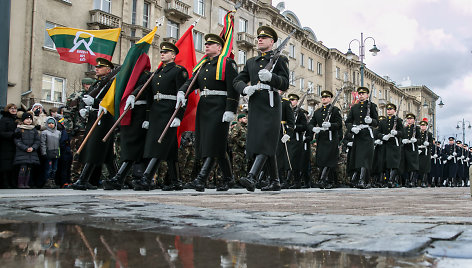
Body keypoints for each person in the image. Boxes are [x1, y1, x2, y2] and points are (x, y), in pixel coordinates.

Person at [178, 33, 239, 192]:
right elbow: (192, 81)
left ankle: (201, 179)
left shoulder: (227, 63)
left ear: (219, 47)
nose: (206, 45)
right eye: (206, 43)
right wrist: (182, 91)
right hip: (205, 107)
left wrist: (231, 109)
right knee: (215, 144)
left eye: (211, 44)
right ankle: (228, 178)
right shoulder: (203, 65)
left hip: (220, 106)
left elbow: (233, 88)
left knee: (213, 142)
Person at [123, 42, 188, 191]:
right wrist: (133, 95)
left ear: (173, 55)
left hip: (169, 111)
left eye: (166, 52)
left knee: (159, 144)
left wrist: (179, 115)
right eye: (161, 52)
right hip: (156, 112)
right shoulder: (157, 73)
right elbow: (145, 89)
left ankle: (146, 178)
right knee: (169, 148)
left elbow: (183, 95)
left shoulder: (179, 71)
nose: (162, 54)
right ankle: (176, 181)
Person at [233, 26, 290, 192]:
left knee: (266, 138)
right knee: (262, 140)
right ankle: (275, 181)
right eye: (258, 37)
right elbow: (237, 80)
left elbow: (285, 83)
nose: (259, 40)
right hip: (255, 103)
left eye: (263, 38)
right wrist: (245, 88)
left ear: (271, 42)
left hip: (271, 103)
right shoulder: (251, 62)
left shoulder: (280, 59)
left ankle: (252, 176)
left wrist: (272, 78)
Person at [72, 58, 117, 190]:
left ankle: (83, 179)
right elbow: (85, 98)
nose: (96, 69)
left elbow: (112, 100)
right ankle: (117, 178)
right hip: (93, 117)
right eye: (96, 67)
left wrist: (96, 103)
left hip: (104, 118)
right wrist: (83, 108)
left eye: (100, 67)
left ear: (108, 70)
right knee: (107, 153)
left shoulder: (111, 83)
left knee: (94, 148)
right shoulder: (97, 84)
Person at [345, 86, 378, 189]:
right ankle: (357, 179)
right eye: (360, 94)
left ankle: (362, 180)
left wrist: (371, 121)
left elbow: (377, 122)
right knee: (358, 158)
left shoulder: (372, 106)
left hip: (367, 135)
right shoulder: (354, 107)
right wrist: (352, 128)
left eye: (363, 94)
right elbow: (348, 122)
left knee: (365, 158)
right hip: (358, 135)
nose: (361, 95)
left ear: (367, 95)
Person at [308, 90, 343, 189]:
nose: (324, 98)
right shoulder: (317, 112)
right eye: (322, 97)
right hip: (321, 138)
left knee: (330, 160)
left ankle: (323, 180)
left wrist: (330, 125)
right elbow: (311, 123)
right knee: (322, 160)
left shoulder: (335, 110)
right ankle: (330, 181)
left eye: (326, 97)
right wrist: (313, 128)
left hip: (331, 138)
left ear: (330, 99)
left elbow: (339, 124)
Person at [378, 103, 404, 188]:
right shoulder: (383, 122)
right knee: (386, 163)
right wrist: (382, 136)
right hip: (385, 144)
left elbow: (402, 133)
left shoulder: (398, 120)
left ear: (394, 111)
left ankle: (391, 180)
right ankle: (386, 180)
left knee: (394, 163)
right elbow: (378, 133)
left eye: (391, 109)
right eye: (388, 109)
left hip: (394, 144)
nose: (389, 110)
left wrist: (396, 133)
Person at [13, 112, 41, 188]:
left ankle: (26, 183)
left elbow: (37, 141)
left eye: (30, 119)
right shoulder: (19, 129)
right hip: (22, 153)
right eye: (27, 119)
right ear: (23, 120)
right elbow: (17, 141)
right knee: (23, 168)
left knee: (29, 169)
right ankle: (20, 183)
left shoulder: (33, 129)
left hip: (32, 152)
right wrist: (25, 148)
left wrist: (33, 147)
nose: (29, 120)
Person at [287, 93, 307, 189]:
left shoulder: (300, 113)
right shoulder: (286, 111)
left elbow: (304, 126)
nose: (291, 101)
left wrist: (295, 127)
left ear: (297, 101)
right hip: (287, 138)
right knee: (286, 161)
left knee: (294, 161)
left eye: (293, 100)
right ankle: (286, 180)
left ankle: (296, 181)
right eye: (290, 100)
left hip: (296, 138)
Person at [0, 104, 19, 188]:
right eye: (12, 108)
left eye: (15, 108)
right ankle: (5, 183)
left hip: (13, 145)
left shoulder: (15, 119)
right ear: (8, 109)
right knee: (5, 165)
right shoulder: (4, 119)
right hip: (5, 145)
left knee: (12, 165)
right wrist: (13, 134)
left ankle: (11, 183)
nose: (14, 110)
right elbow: (1, 132)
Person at [40, 117, 62, 188]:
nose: (51, 125)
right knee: (48, 168)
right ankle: (47, 181)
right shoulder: (44, 133)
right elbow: (42, 143)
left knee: (54, 169)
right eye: (49, 123)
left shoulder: (58, 132)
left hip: (56, 153)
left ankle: (53, 181)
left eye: (52, 123)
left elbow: (60, 143)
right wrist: (43, 152)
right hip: (48, 153)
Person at [401, 113, 420, 187]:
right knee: (406, 165)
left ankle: (412, 180)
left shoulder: (416, 128)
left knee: (413, 165)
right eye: (408, 119)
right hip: (405, 148)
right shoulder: (404, 129)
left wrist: (415, 140)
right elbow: (401, 137)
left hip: (413, 149)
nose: (409, 120)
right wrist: (402, 140)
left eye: (411, 119)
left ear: (414, 120)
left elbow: (420, 140)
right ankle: (407, 180)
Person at [417, 118, 433, 187]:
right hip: (419, 151)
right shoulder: (418, 134)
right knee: (419, 167)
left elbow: (431, 144)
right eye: (421, 125)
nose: (422, 127)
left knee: (425, 168)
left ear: (426, 126)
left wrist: (428, 144)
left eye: (424, 125)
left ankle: (424, 181)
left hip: (426, 152)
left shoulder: (429, 134)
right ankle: (419, 181)